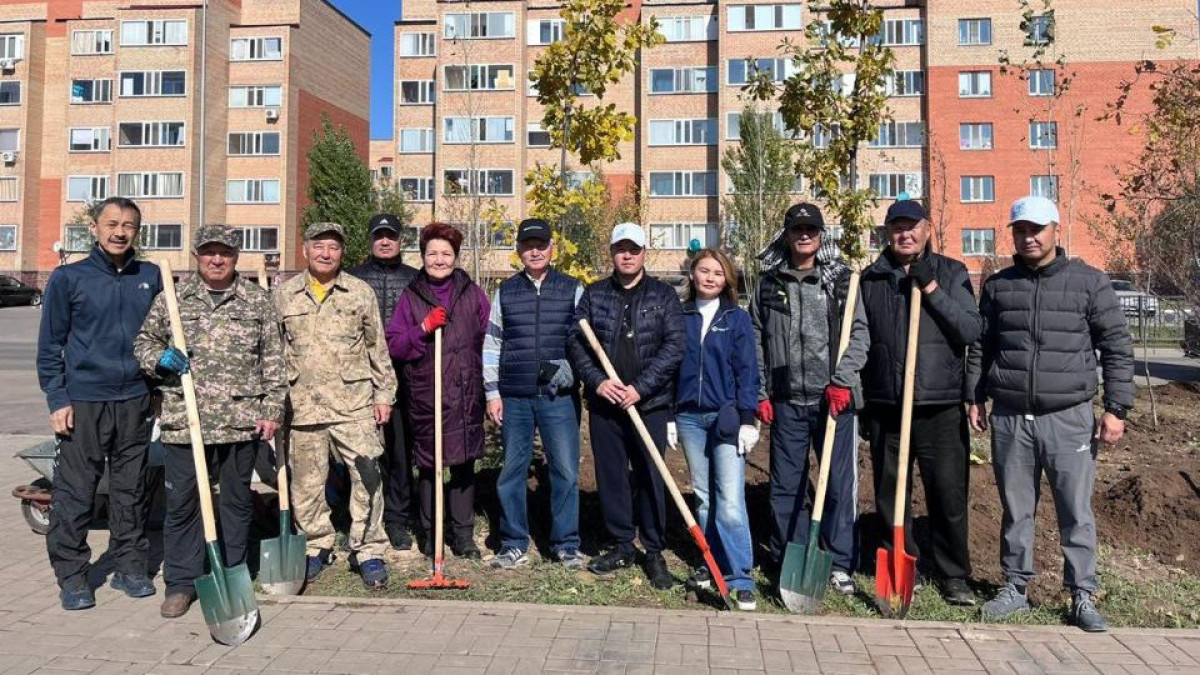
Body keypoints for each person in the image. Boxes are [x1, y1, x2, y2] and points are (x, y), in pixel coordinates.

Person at [971, 196, 1134, 632]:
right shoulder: (999, 286)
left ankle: (1082, 594)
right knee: (1015, 508)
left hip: (1069, 416)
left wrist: (1116, 407)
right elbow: (982, 347)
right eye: (1020, 230)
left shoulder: (1089, 282)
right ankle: (1015, 587)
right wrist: (975, 395)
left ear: (1055, 229)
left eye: (1036, 229)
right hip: (1010, 416)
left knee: (1075, 510)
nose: (1028, 237)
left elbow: (1116, 347)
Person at [133, 224, 287, 618]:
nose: (217, 259)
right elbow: (143, 343)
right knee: (182, 504)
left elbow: (273, 358)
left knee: (236, 503)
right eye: (209, 252)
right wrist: (159, 359)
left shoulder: (256, 300)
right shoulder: (173, 298)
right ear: (197, 256)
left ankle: (234, 573)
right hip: (186, 420)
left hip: (239, 419)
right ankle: (181, 583)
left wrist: (272, 410)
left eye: (225, 253)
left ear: (236, 257)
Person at [839, 199, 982, 606]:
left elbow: (969, 330)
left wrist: (931, 288)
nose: (905, 234)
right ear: (888, 232)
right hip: (887, 404)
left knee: (948, 495)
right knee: (890, 495)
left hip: (939, 404)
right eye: (897, 227)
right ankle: (902, 564)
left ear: (927, 228)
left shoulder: (951, 272)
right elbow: (860, 339)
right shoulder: (871, 278)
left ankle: (954, 574)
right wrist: (863, 400)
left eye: (912, 226)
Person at [37, 197, 162, 610]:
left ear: (137, 232)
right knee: (76, 492)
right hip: (84, 401)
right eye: (112, 224)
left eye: (128, 226)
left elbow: (163, 338)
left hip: (135, 400)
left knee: (131, 490)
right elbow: (50, 346)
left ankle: (130, 567)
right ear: (95, 227)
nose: (119, 232)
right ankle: (72, 576)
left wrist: (160, 386)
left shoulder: (152, 276)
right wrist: (58, 399)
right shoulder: (68, 278)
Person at [749, 203, 864, 596]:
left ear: (820, 236)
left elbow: (859, 334)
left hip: (833, 402)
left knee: (839, 486)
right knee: (787, 487)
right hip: (786, 402)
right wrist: (761, 391)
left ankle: (840, 563)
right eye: (797, 229)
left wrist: (842, 381)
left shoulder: (841, 281)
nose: (804, 235)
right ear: (786, 235)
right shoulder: (768, 283)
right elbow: (755, 338)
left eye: (811, 230)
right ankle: (791, 558)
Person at [275, 222, 397, 590]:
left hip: (353, 405)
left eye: (333, 247)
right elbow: (273, 352)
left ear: (342, 253)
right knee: (306, 485)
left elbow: (377, 348)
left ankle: (368, 549)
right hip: (303, 406)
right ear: (305, 251)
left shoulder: (359, 292)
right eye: (318, 246)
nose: (326, 254)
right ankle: (316, 546)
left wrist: (384, 395)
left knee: (368, 478)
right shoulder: (284, 295)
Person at [568, 222, 685, 589]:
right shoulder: (594, 294)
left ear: (644, 252)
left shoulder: (664, 295)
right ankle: (621, 543)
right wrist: (598, 382)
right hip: (606, 405)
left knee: (651, 475)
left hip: (649, 404)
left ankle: (653, 548)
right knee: (612, 476)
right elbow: (576, 342)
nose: (628, 255)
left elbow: (674, 347)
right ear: (612, 253)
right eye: (621, 249)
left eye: (634, 249)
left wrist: (640, 388)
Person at [485, 219, 585, 570]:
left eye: (541, 244)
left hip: (559, 397)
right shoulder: (506, 292)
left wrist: (570, 371)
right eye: (528, 245)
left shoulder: (572, 289)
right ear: (519, 251)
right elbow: (492, 344)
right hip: (515, 396)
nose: (535, 251)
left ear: (551, 248)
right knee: (512, 471)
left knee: (565, 471)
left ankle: (566, 544)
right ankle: (513, 542)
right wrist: (492, 392)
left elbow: (585, 343)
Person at [386, 223, 490, 559]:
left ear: (456, 257)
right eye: (432, 253)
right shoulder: (411, 296)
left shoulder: (473, 294)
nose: (439, 260)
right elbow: (394, 344)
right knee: (430, 466)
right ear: (423, 257)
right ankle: (432, 534)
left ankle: (463, 536)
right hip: (427, 396)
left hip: (465, 393)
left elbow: (488, 341)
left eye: (446, 253)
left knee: (463, 465)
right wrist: (422, 328)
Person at [670, 249, 759, 610]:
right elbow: (671, 367)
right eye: (704, 271)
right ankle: (713, 565)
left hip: (726, 418)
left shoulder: (736, 318)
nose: (710, 278)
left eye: (718, 273)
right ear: (692, 274)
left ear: (727, 281)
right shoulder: (680, 316)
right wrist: (672, 415)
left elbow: (748, 371)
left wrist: (748, 419)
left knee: (731, 500)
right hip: (689, 418)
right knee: (705, 498)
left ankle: (741, 576)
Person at [348, 213, 419, 551]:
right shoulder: (353, 278)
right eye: (379, 236)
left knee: (400, 452)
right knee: (361, 454)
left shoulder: (414, 279)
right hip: (360, 376)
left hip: (403, 375)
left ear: (401, 240)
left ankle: (397, 519)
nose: (385, 241)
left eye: (391, 236)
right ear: (370, 240)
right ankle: (361, 519)